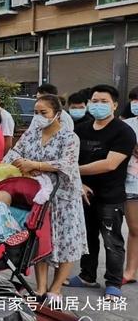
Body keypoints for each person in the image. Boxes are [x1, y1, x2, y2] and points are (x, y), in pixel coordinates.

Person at [3, 95, 87, 301]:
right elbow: (11, 155)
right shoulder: (31, 134)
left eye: (44, 113)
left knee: (67, 242)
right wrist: (22, 162)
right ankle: (40, 287)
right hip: (39, 197)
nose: (38, 117)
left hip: (64, 199)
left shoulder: (69, 137)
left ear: (57, 114)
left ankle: (56, 288)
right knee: (40, 240)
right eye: (35, 113)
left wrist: (36, 165)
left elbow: (67, 164)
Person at [68, 85, 136, 301]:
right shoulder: (81, 130)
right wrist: (77, 182)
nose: (98, 105)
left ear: (114, 105)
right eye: (94, 101)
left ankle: (113, 283)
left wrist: (74, 171)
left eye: (103, 101)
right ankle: (87, 275)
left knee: (112, 240)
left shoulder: (124, 131)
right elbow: (70, 157)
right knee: (87, 238)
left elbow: (110, 164)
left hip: (110, 195)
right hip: (83, 193)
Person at [124, 87, 138, 285]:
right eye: (134, 99)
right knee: (135, 229)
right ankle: (129, 270)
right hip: (130, 183)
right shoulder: (126, 125)